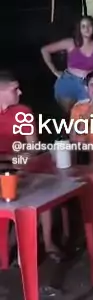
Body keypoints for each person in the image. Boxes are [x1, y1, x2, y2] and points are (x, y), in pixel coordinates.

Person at [0, 72, 65, 259]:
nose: (20, 92)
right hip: (5, 164)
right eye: (15, 89)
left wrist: (18, 160)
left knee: (41, 184)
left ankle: (48, 242)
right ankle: (11, 244)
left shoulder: (23, 112)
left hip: (19, 164)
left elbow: (33, 146)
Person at [41, 16, 93, 113]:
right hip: (68, 82)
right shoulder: (70, 43)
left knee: (86, 114)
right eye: (83, 26)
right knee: (69, 113)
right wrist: (55, 71)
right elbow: (44, 50)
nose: (87, 29)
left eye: (89, 25)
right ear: (79, 29)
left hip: (87, 84)